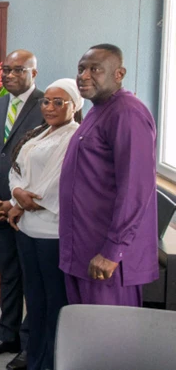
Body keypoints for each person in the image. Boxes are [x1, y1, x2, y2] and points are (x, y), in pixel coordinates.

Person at [59, 44, 158, 306]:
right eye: (81, 69)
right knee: (81, 327)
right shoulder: (98, 109)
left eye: (95, 69)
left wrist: (113, 251)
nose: (84, 76)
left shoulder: (127, 113)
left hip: (107, 259)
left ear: (119, 74)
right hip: (83, 248)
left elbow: (136, 189)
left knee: (108, 330)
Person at [0, 50, 43, 369]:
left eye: (19, 70)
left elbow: (50, 165)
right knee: (9, 275)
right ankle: (7, 335)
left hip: (30, 211)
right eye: (6, 69)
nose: (10, 75)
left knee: (33, 281)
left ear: (34, 73)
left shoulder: (48, 104)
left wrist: (14, 203)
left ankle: (30, 344)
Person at [6, 79, 82, 370]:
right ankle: (35, 358)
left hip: (53, 233)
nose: (49, 107)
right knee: (35, 300)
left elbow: (58, 181)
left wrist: (25, 201)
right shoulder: (41, 132)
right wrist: (16, 193)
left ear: (74, 105)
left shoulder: (75, 136)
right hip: (27, 229)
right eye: (46, 101)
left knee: (54, 301)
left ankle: (51, 362)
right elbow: (17, 168)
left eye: (58, 102)